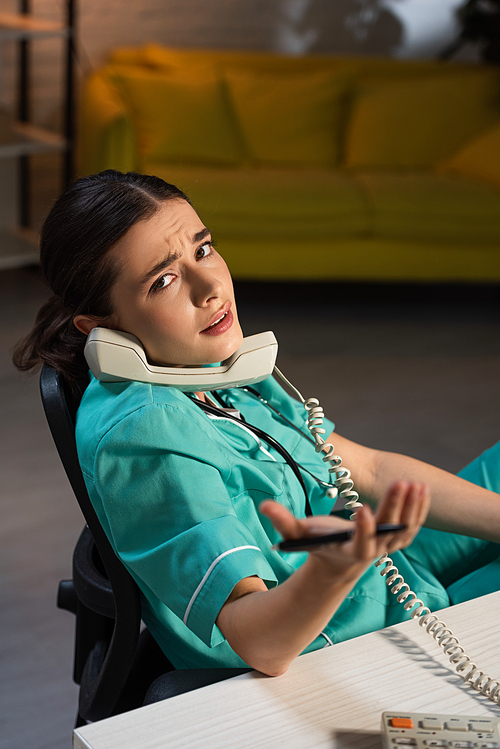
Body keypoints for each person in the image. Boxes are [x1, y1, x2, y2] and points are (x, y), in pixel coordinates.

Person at [14, 170, 500, 676]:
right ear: (102, 328)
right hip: (343, 633)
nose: (211, 288)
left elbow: (371, 471)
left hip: (378, 569)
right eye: (164, 281)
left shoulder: (207, 363)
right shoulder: (146, 436)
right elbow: (260, 644)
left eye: (202, 250)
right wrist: (333, 571)